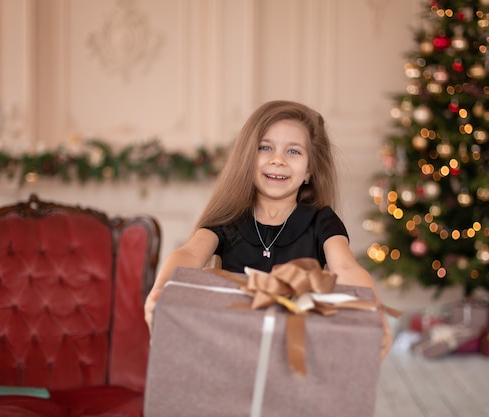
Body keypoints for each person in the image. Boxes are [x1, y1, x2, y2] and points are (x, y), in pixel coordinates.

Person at [144, 100, 392, 359]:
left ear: (309, 170)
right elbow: (189, 254)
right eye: (265, 148)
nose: (278, 160)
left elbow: (347, 268)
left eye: (293, 151)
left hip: (297, 350)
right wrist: (159, 292)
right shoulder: (229, 218)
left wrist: (377, 312)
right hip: (230, 344)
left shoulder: (322, 220)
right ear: (247, 160)